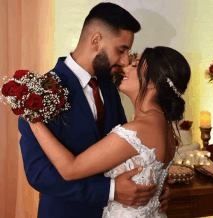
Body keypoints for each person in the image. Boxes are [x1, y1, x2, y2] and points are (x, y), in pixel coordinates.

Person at [19, 3, 170, 218]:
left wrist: (153, 184)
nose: (126, 60)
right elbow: (39, 174)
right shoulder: (39, 92)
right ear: (96, 40)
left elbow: (125, 149)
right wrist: (110, 190)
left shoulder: (109, 87)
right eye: (121, 49)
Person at [29, 46, 191, 218]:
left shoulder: (135, 132)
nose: (126, 66)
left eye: (135, 65)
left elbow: (70, 169)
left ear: (153, 82)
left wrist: (32, 118)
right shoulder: (165, 128)